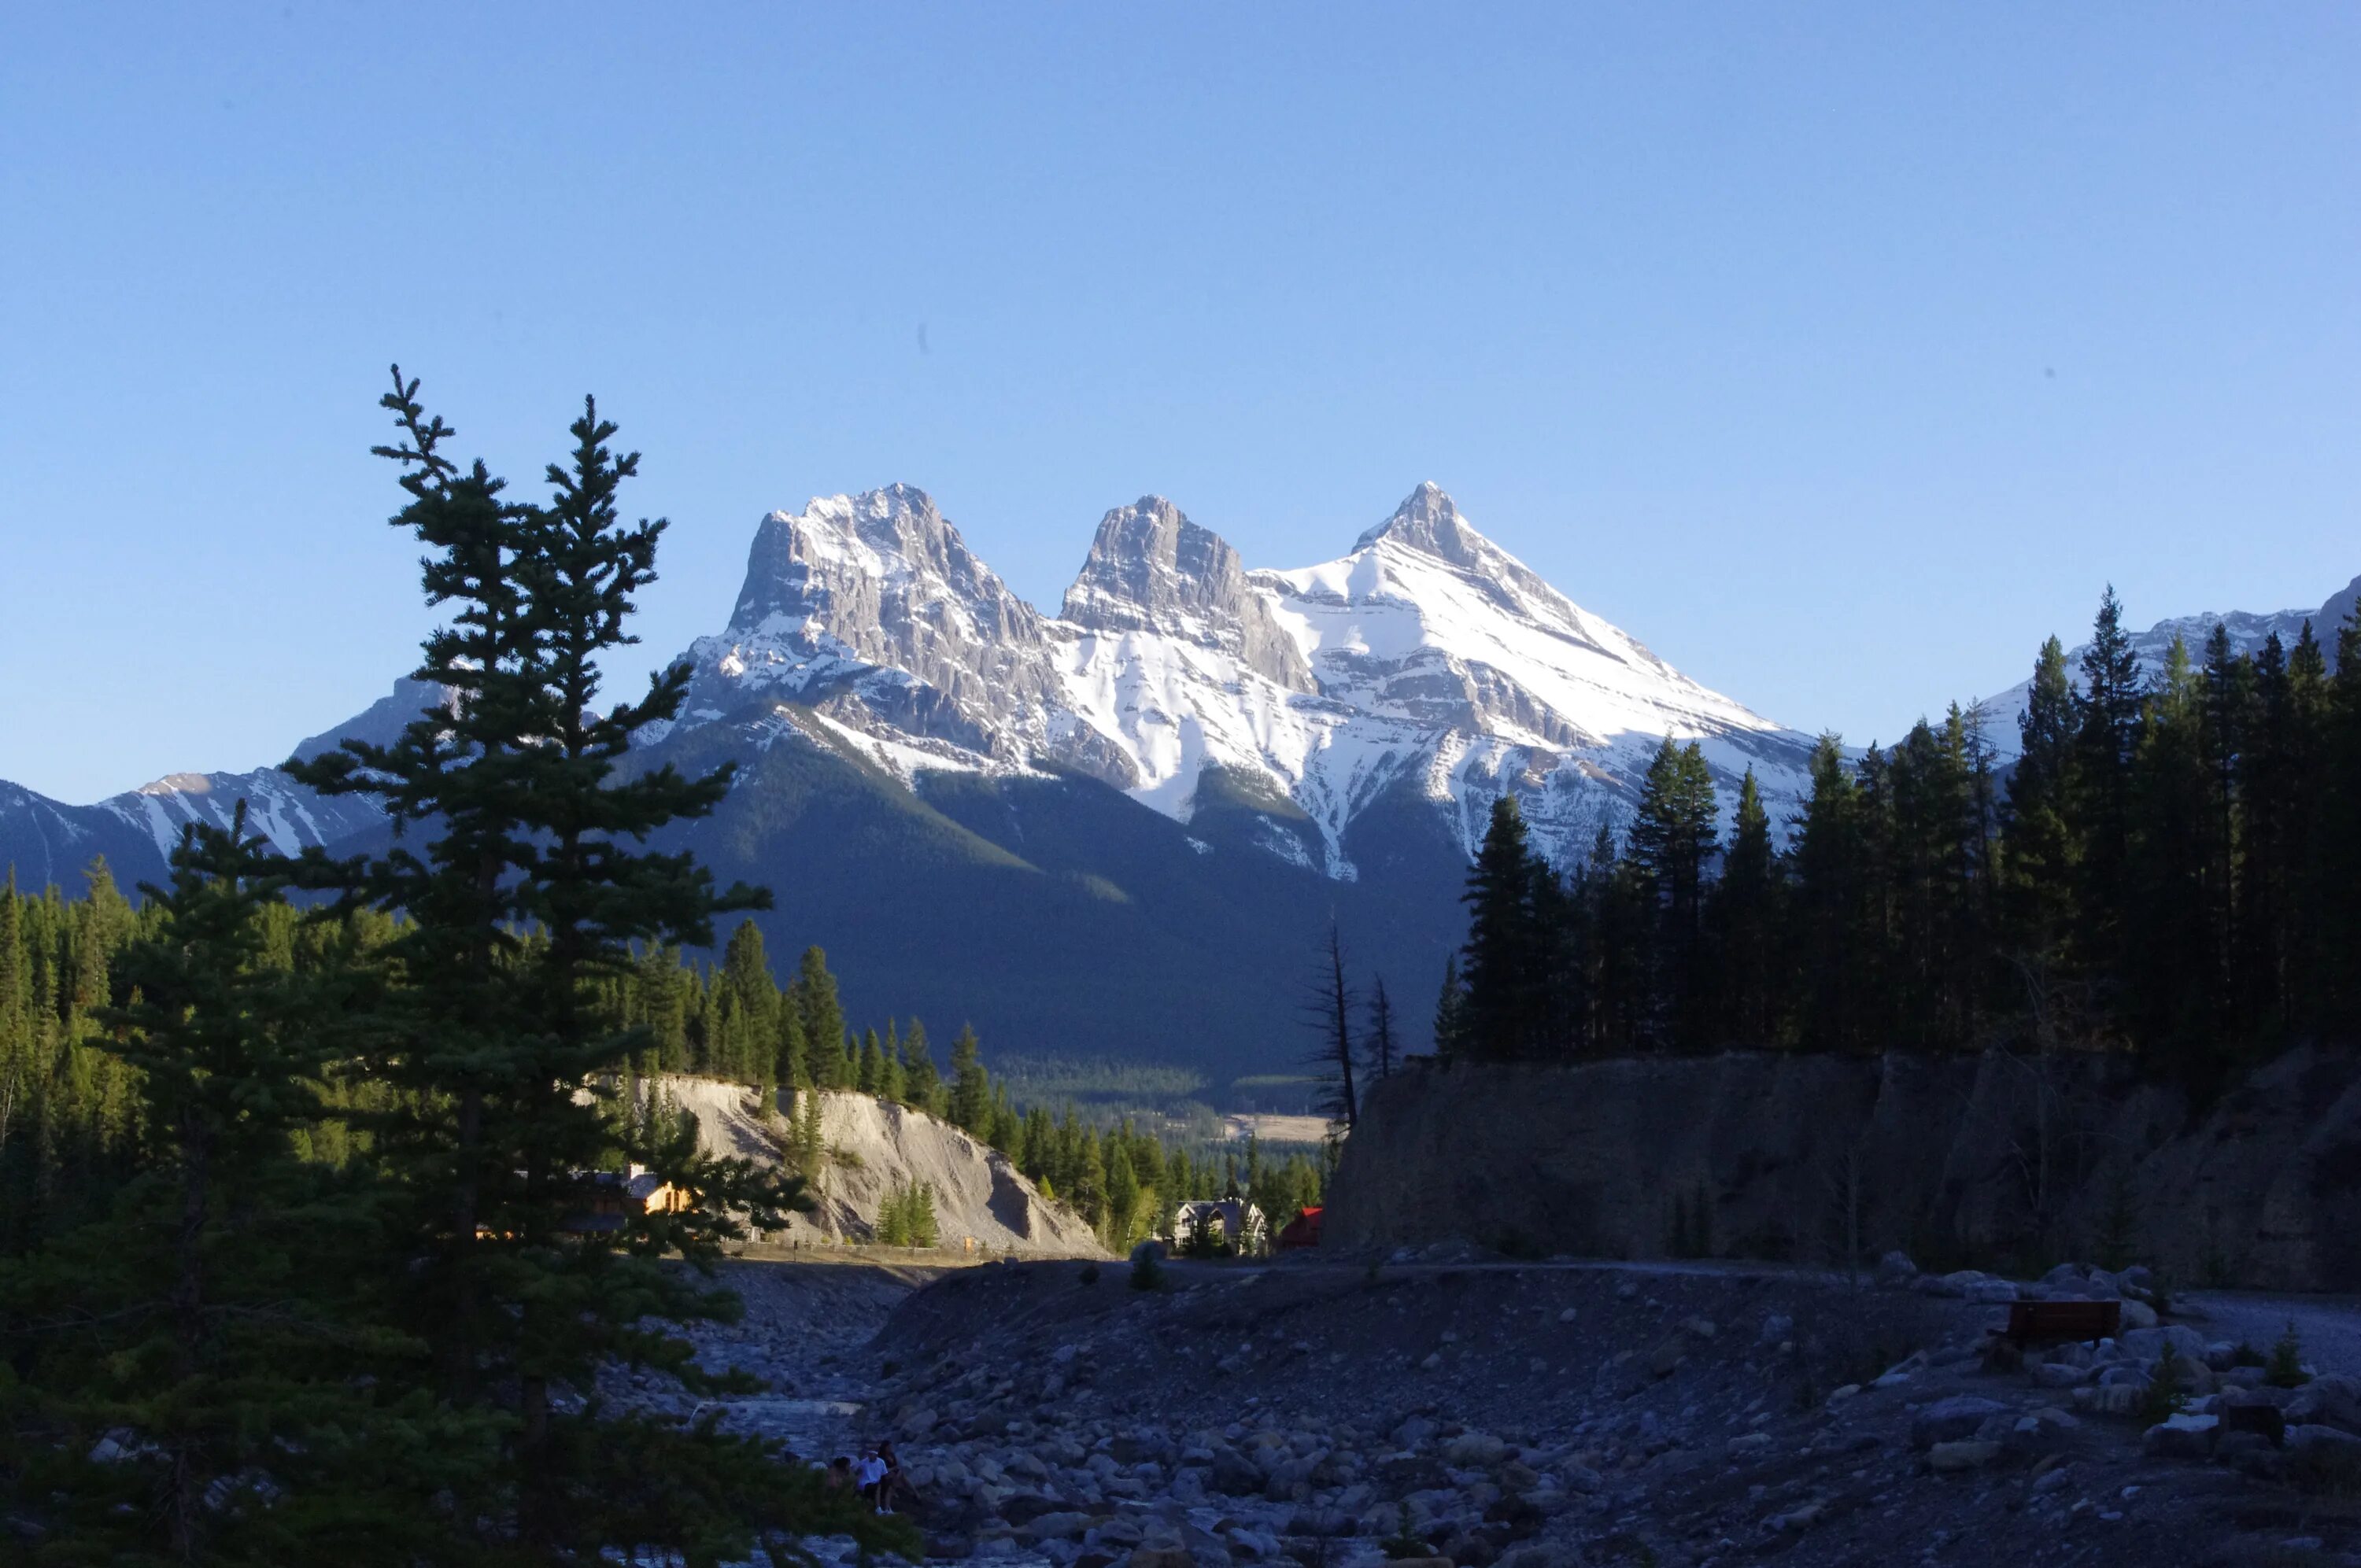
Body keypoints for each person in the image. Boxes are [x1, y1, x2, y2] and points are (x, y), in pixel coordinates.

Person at [855, 1445, 888, 1512]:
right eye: (869, 1454)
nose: (869, 1456)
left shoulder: (881, 1462)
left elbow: (884, 1474)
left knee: (888, 1486)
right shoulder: (864, 1462)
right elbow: (856, 1471)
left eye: (871, 1454)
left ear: (876, 1455)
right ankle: (878, 1509)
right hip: (865, 1483)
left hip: (876, 1482)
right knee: (878, 1487)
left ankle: (888, 1508)